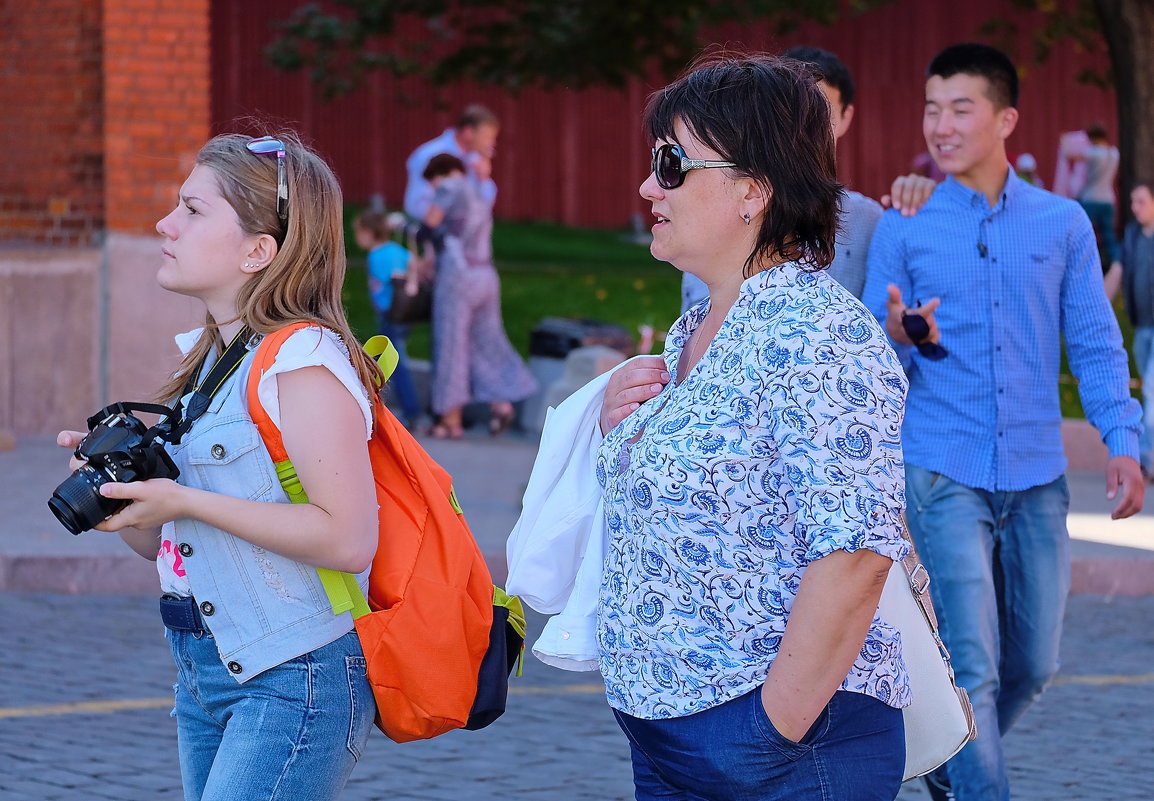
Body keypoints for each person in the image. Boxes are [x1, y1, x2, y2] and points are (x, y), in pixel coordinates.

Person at [599, 54, 912, 801]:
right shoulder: (698, 325)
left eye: (671, 164)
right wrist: (620, 425)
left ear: (753, 191)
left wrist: (770, 730)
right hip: (677, 736)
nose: (649, 185)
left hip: (781, 753)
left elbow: (859, 549)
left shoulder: (815, 332)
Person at [56, 132, 380, 801]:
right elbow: (167, 545)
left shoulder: (304, 363)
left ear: (259, 250)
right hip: (204, 664)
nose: (165, 225)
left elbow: (348, 539)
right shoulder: (209, 365)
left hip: (294, 674)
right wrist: (126, 497)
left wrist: (186, 502)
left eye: (193, 210)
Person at [862, 44, 1144, 801]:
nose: (942, 124)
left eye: (961, 108)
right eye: (931, 107)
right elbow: (870, 355)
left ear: (1006, 118)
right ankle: (976, 783)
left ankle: (952, 764)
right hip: (941, 466)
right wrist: (900, 333)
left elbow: (1093, 340)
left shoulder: (1062, 224)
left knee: (1032, 666)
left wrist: (1124, 441)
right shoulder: (905, 225)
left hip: (1036, 472)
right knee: (974, 665)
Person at [678, 46, 935, 311]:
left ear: (846, 117)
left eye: (819, 116)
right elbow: (698, 314)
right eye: (787, 118)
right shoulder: (720, 208)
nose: (801, 131)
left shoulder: (869, 221)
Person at [420, 153, 537, 438]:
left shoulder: (450, 187)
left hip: (458, 276)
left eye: (432, 182)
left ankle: (450, 420)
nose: (433, 189)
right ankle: (501, 404)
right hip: (485, 274)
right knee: (485, 342)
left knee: (452, 346)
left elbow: (430, 223)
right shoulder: (481, 190)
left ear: (443, 173)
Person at [354, 208, 424, 429]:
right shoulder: (396, 249)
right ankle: (406, 410)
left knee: (396, 363)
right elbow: (414, 262)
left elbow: (392, 278)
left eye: (358, 233)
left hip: (390, 314)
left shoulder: (377, 256)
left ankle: (411, 412)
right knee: (397, 359)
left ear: (367, 232)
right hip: (404, 315)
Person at [403, 104, 499, 220]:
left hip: (464, 234)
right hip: (432, 233)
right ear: (468, 132)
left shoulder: (475, 159)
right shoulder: (431, 155)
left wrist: (483, 179)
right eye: (488, 137)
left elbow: (484, 207)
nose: (492, 144)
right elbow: (416, 206)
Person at [1120, 180, 1154, 477]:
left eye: (1141, 201)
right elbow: (1120, 269)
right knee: (1149, 391)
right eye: (1132, 201)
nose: (1135, 208)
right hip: (1142, 326)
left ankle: (1145, 458)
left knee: (1153, 392)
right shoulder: (1132, 235)